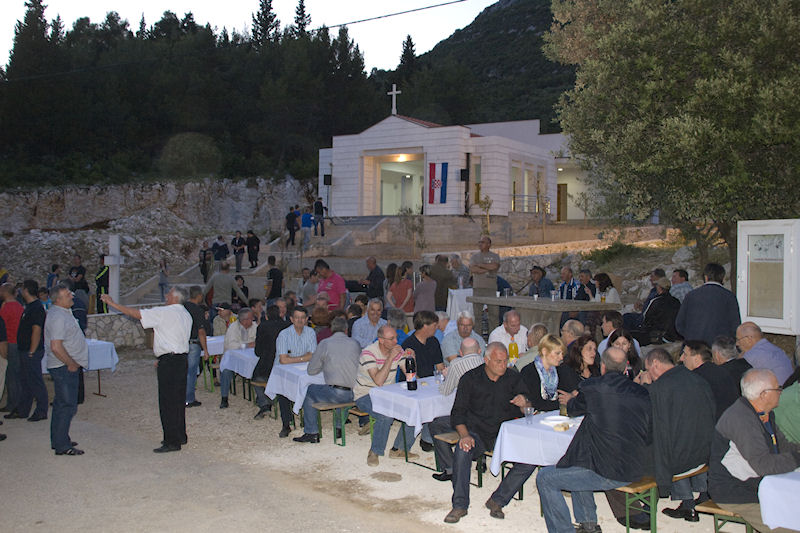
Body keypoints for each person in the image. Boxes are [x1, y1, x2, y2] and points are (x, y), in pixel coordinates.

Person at [536, 346, 653, 533]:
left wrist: (572, 399)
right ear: (626, 368)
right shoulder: (642, 393)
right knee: (578, 460)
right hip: (637, 466)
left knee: (545, 478)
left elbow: (573, 409)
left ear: (603, 366)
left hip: (610, 473)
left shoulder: (593, 387)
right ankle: (588, 524)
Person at [438, 342, 534, 523]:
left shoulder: (513, 377)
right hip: (476, 432)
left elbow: (527, 407)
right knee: (462, 450)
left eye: (505, 361)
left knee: (530, 458)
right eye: (498, 361)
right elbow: (457, 413)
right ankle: (460, 505)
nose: (503, 365)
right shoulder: (470, 379)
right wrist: (464, 436)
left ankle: (498, 500)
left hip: (504, 433)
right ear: (486, 360)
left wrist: (524, 403)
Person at [709, 369, 800, 532]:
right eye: (777, 388)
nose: (781, 391)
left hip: (761, 484)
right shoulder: (741, 419)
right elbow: (764, 465)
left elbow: (783, 446)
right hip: (737, 491)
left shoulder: (765, 414)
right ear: (764, 394)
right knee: (791, 527)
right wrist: (797, 458)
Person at [103, 289, 193, 453]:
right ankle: (179, 435)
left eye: (168, 294)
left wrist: (113, 304)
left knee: (167, 401)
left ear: (174, 298)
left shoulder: (165, 312)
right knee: (178, 400)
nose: (166, 296)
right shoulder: (185, 314)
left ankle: (172, 441)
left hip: (170, 361)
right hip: (181, 359)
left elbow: (137, 314)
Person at [635, 347, 716, 522]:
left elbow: (651, 422)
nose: (649, 374)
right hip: (706, 451)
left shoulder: (660, 388)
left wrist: (645, 386)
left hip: (682, 457)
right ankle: (697, 498)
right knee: (678, 439)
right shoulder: (697, 379)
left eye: (648, 369)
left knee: (653, 450)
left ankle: (652, 509)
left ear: (655, 364)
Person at [354, 325, 416, 466]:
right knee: (385, 415)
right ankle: (374, 451)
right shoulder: (368, 353)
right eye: (391, 339)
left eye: (396, 338)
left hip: (388, 394)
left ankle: (399, 449)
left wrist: (411, 359)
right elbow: (379, 381)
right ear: (381, 340)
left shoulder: (396, 350)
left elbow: (410, 375)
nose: (396, 341)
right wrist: (390, 358)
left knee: (414, 408)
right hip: (365, 394)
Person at [293, 317, 361, 443]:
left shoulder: (325, 343)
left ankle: (311, 431)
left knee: (309, 390)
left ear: (331, 329)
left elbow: (311, 370)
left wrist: (324, 365)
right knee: (340, 388)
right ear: (346, 330)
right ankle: (338, 427)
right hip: (354, 393)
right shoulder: (355, 343)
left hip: (336, 393)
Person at [45, 283, 89, 455]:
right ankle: (62, 446)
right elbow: (56, 346)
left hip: (65, 366)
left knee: (61, 404)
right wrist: (70, 363)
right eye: (67, 295)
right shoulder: (58, 317)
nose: (72, 296)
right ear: (58, 300)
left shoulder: (63, 312)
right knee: (67, 405)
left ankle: (59, 439)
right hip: (63, 367)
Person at [274, 307, 317, 438]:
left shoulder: (310, 332)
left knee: (311, 386)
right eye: (297, 317)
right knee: (283, 391)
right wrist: (304, 357)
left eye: (303, 317)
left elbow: (313, 355)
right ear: (291, 319)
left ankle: (309, 422)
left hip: (303, 369)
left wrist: (293, 358)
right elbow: (283, 360)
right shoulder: (284, 334)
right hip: (283, 371)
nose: (300, 320)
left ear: (307, 319)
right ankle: (286, 424)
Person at [675, 262, 741, 346]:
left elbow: (679, 324)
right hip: (720, 347)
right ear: (722, 277)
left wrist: (691, 336)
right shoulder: (729, 297)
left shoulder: (691, 295)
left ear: (705, 277)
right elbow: (735, 325)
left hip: (694, 346)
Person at [680, 340, 739, 420]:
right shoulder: (721, 372)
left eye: (685, 354)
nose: (681, 358)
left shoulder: (696, 378)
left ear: (696, 358)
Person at [15, 280, 48, 422]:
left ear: (26, 290)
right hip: (24, 349)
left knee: (35, 381)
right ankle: (23, 410)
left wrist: (32, 351)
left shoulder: (36, 308)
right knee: (25, 381)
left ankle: (41, 410)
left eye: (22, 288)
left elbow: (36, 330)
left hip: (31, 351)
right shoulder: (29, 307)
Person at [252, 305, 289, 419]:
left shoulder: (262, 326)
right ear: (280, 314)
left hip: (267, 363)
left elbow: (258, 351)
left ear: (267, 316)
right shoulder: (287, 325)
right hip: (286, 362)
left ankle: (265, 403)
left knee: (256, 378)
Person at [219, 308, 257, 409]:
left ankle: (260, 396)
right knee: (226, 370)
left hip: (250, 356)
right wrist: (247, 345)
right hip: (233, 357)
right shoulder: (233, 327)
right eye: (251, 318)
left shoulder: (254, 326)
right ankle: (224, 398)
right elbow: (231, 345)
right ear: (245, 320)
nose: (253, 320)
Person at [631, 276, 681, 346]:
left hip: (657, 335)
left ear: (659, 288)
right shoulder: (676, 301)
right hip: (672, 334)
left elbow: (646, 318)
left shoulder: (656, 301)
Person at [520, 334, 565, 412]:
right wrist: (560, 403)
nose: (561, 358)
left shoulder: (560, 370)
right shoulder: (529, 372)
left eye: (562, 354)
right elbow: (535, 403)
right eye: (557, 353)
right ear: (544, 351)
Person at [0, 283, 24, 416]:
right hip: (17, 342)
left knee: (11, 375)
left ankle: (13, 403)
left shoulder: (5, 308)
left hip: (9, 342)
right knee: (15, 373)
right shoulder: (19, 306)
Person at [184, 286, 209, 408]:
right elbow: (201, 331)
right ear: (199, 296)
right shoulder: (198, 310)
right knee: (191, 372)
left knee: (182, 371)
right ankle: (189, 398)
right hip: (193, 343)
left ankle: (180, 396)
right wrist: (206, 350)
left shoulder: (182, 307)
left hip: (181, 343)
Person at [469, 236, 500, 324]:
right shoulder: (474, 257)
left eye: (482, 242)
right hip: (478, 289)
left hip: (491, 289)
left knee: (494, 315)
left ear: (489, 244)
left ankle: (493, 332)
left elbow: (495, 266)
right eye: (479, 242)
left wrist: (480, 265)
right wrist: (488, 269)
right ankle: (477, 332)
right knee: (477, 315)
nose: (480, 244)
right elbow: (473, 269)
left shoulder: (494, 256)